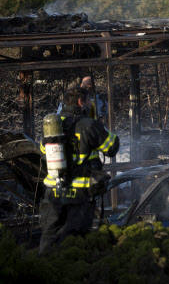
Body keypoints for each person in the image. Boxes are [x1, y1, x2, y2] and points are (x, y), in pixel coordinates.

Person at [39, 86, 119, 254]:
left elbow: (43, 151)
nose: (90, 103)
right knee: (75, 243)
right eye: (89, 100)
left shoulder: (52, 125)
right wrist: (99, 126)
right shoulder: (89, 125)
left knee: (49, 238)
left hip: (53, 193)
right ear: (80, 102)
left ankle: (44, 270)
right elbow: (112, 147)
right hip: (79, 195)